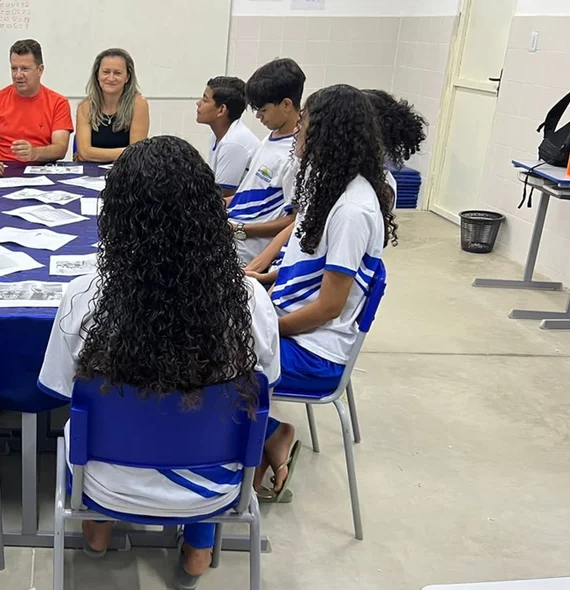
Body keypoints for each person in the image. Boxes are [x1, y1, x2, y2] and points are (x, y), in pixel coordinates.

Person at [37, 136, 280, 588]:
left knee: (93, 415)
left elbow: (61, 389)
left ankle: (98, 527)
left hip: (106, 483)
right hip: (216, 484)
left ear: (116, 217)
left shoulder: (84, 294)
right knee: (216, 414)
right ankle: (199, 544)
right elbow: (267, 385)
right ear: (209, 214)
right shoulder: (250, 299)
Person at [252, 84, 399, 501]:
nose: (297, 131)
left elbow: (330, 307)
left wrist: (267, 328)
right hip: (294, 327)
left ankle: (268, 436)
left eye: (306, 124)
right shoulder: (329, 186)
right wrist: (265, 278)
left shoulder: (354, 209)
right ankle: (260, 436)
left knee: (209, 356)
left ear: (329, 134)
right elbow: (310, 268)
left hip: (315, 352)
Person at [244, 89, 425, 275]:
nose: (299, 129)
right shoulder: (331, 178)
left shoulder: (361, 201)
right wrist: (260, 269)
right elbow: (300, 223)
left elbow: (330, 280)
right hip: (288, 271)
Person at [227, 58, 305, 266]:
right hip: (230, 239)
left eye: (263, 110)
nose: (259, 117)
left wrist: (241, 229)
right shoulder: (270, 138)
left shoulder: (296, 155)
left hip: (248, 255)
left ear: (287, 104)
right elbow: (253, 194)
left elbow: (294, 221)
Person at [0, 39, 73, 163]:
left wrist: (35, 153)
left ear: (40, 70)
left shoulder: (58, 103)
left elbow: (60, 149)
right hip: (1, 172)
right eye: (14, 68)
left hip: (40, 171)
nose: (18, 75)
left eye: (24, 69)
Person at [74, 48, 149, 162]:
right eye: (106, 72)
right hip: (90, 174)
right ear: (97, 75)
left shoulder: (139, 104)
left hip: (127, 173)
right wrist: (125, 152)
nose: (111, 78)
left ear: (127, 77)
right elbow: (84, 153)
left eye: (117, 73)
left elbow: (136, 152)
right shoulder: (85, 107)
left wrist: (93, 154)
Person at [197, 76, 260, 197]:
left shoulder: (233, 143)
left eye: (205, 100)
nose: (198, 103)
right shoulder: (217, 136)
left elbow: (221, 196)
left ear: (221, 110)